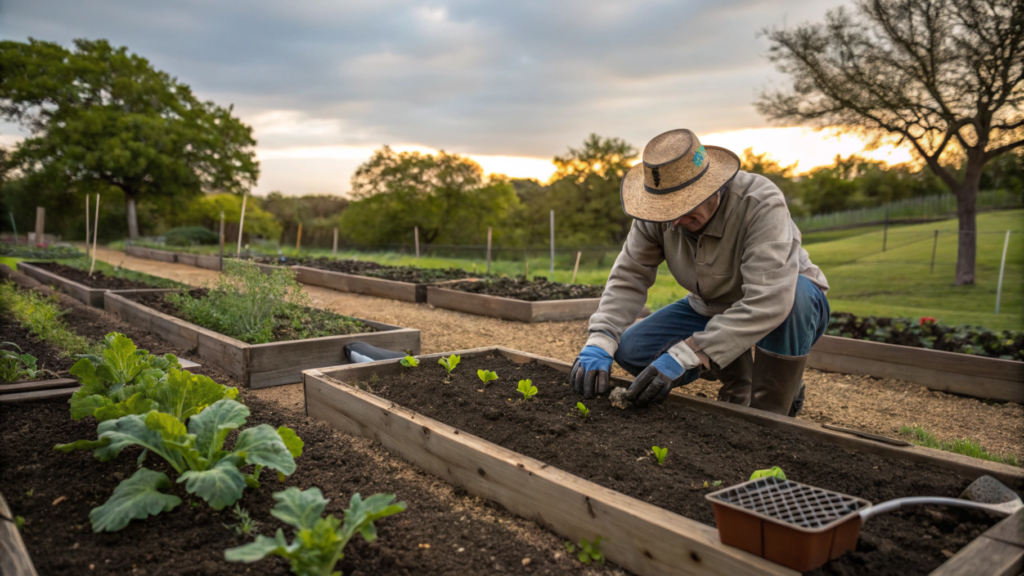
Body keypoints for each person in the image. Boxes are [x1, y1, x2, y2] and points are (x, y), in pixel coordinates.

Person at [569, 128, 830, 415]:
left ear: (714, 187)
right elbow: (630, 274)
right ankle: (739, 378)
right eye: (667, 210)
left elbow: (769, 299)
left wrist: (689, 353)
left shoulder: (759, 203)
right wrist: (601, 337)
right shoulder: (656, 215)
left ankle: (774, 405)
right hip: (710, 306)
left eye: (685, 206)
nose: (676, 220)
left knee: (798, 295)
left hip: (783, 304)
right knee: (633, 350)